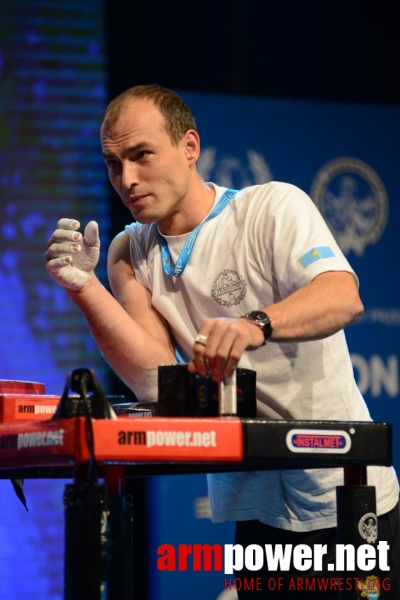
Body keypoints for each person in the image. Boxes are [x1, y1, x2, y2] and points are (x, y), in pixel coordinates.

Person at [45, 84, 399, 598]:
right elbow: (151, 379)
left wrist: (254, 323)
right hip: (255, 505)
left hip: (344, 497)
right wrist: (85, 287)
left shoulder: (271, 207)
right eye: (113, 163)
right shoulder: (129, 250)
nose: (127, 179)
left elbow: (343, 296)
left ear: (190, 147)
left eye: (141, 155)